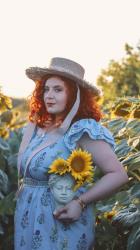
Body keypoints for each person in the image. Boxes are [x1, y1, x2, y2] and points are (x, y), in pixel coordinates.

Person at [14, 57, 129, 250]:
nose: (49, 95)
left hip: (61, 220)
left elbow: (118, 174)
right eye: (46, 89)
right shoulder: (38, 127)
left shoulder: (81, 129)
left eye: (58, 90)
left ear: (75, 95)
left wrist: (80, 202)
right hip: (28, 218)